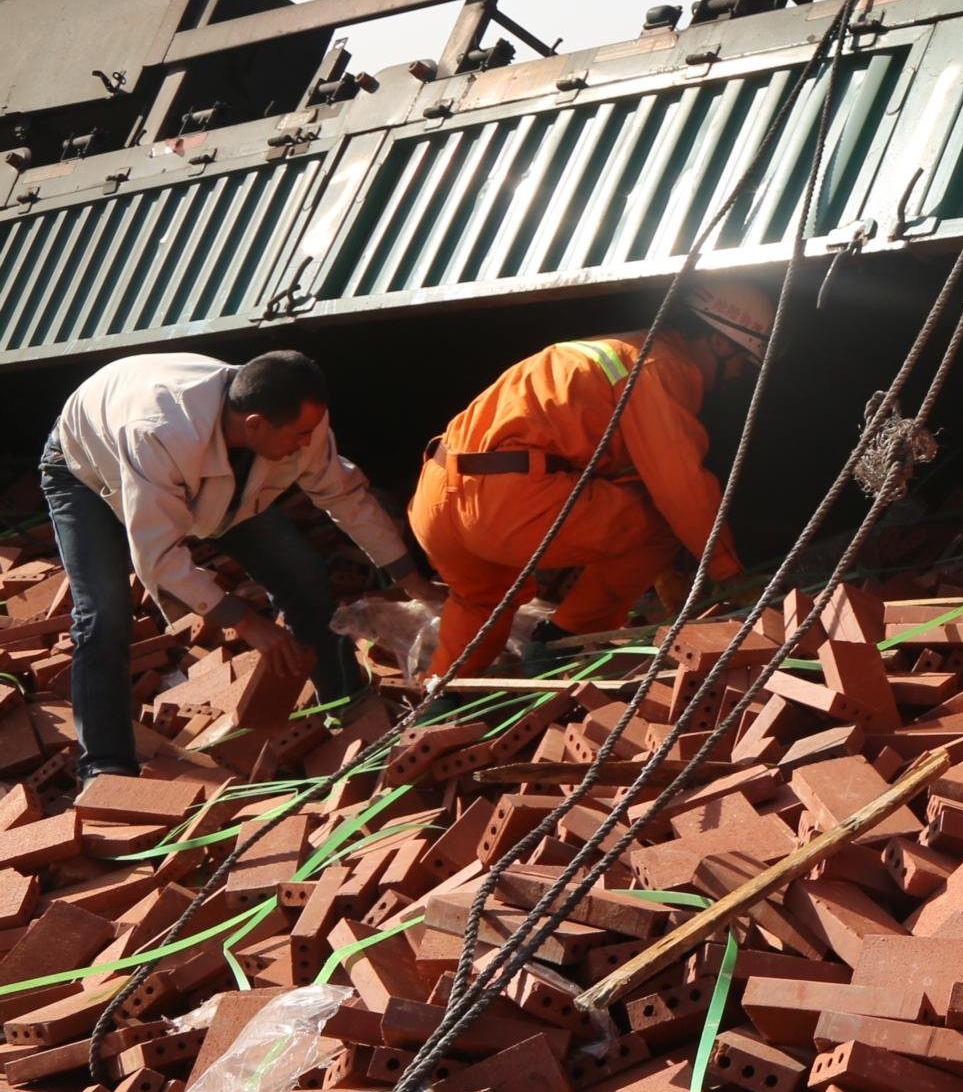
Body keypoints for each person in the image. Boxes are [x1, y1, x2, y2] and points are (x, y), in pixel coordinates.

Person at [41, 348, 432, 782]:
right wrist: (245, 621)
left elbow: (345, 496)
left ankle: (345, 701)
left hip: (204, 481)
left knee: (302, 575)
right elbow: (158, 554)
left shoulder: (295, 419)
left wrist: (410, 578)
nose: (309, 441)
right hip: (86, 467)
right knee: (104, 613)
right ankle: (105, 765)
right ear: (255, 425)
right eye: (300, 434)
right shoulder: (160, 433)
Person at [409, 276, 773, 674]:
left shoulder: (605, 350)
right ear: (721, 343)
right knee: (664, 522)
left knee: (480, 602)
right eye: (743, 363)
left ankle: (439, 695)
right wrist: (728, 572)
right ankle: (558, 643)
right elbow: (680, 487)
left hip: (435, 498)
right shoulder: (664, 365)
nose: (737, 376)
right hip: (504, 506)